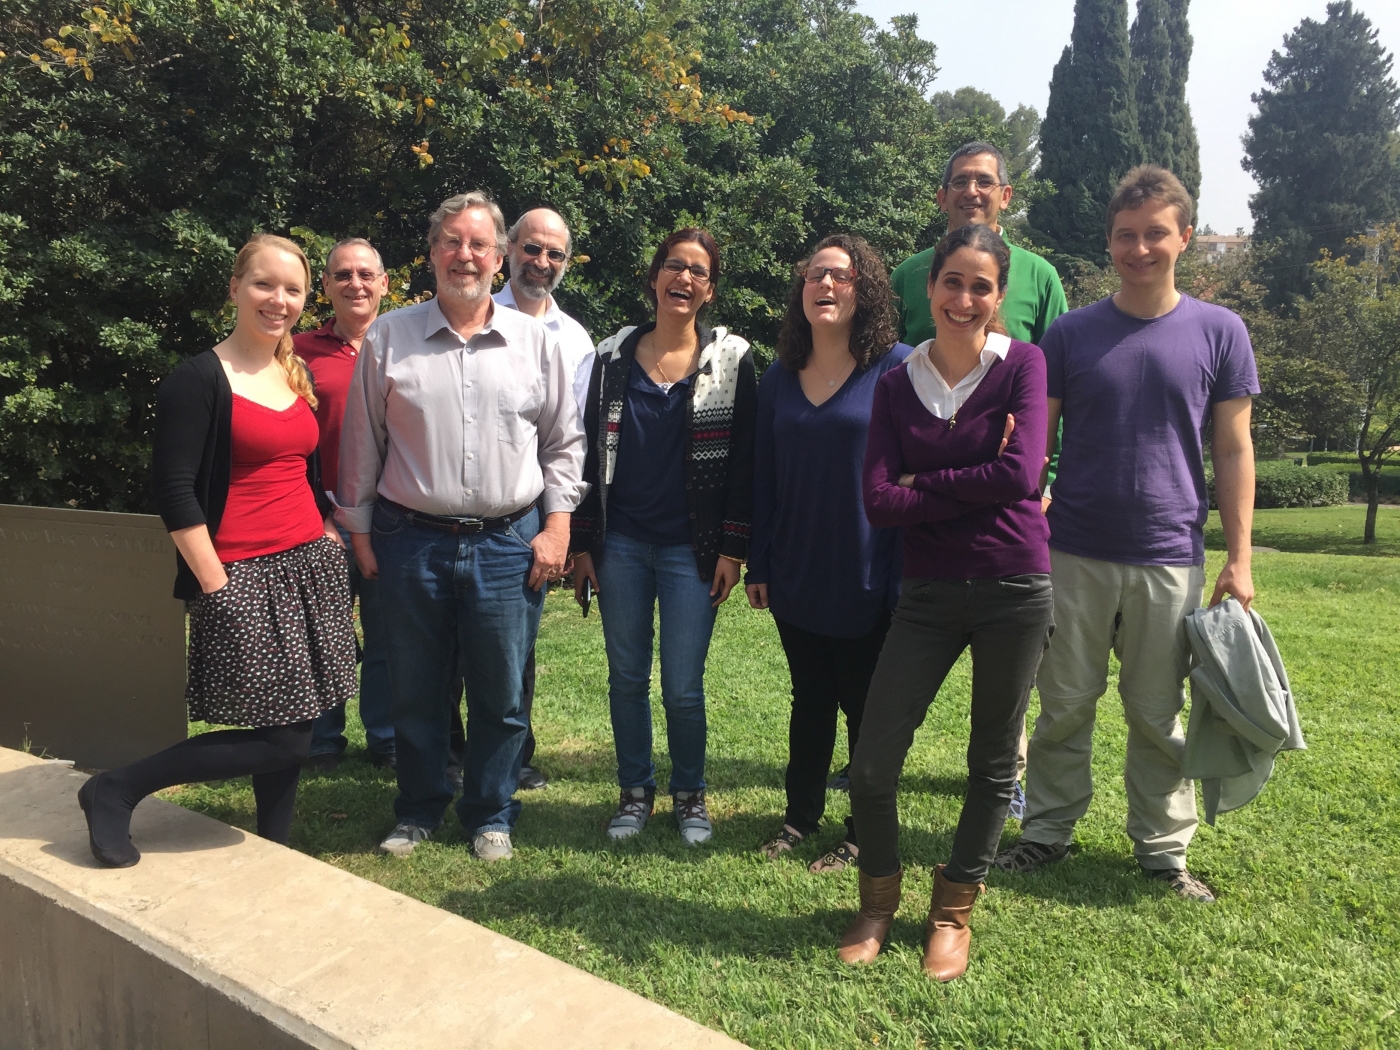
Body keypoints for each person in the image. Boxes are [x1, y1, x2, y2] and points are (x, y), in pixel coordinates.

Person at [994, 166, 1258, 903]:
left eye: (1154, 234)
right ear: (1109, 241)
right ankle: (1047, 832)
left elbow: (1233, 448)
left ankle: (1163, 852)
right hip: (1072, 549)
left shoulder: (1220, 332)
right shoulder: (1071, 334)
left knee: (1158, 714)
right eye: (1125, 235)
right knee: (1063, 705)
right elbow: (1034, 444)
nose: (1139, 249)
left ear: (1185, 237)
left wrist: (1239, 558)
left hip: (1170, 553)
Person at [77, 234, 357, 867]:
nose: (278, 300)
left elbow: (300, 466)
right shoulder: (197, 378)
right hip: (240, 570)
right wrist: (214, 582)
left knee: (295, 721)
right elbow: (175, 491)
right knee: (285, 741)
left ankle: (276, 847)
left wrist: (325, 530)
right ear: (235, 288)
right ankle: (116, 788)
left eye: (292, 289)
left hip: (307, 565)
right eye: (264, 284)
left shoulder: (294, 371)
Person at [337, 191, 585, 862]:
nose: (465, 255)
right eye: (452, 241)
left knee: (501, 693)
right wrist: (359, 533)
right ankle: (419, 808)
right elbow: (361, 445)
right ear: (432, 253)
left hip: (509, 542)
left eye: (479, 244)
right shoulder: (389, 337)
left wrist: (558, 526)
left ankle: (490, 812)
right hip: (410, 539)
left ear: (499, 257)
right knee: (417, 689)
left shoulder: (537, 343)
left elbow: (564, 445)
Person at [839, 223, 1052, 981]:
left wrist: (921, 485)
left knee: (992, 763)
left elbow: (1022, 475)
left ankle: (953, 915)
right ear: (929, 289)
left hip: (1014, 586)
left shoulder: (1023, 364)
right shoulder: (897, 383)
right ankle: (876, 905)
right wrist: (974, 477)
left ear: (1000, 296)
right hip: (927, 593)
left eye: (981, 286)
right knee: (872, 764)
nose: (964, 299)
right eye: (951, 282)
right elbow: (877, 500)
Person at [889, 140, 1069, 817]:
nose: (972, 190)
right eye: (960, 181)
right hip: (926, 503)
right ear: (941, 196)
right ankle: (877, 753)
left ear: (1005, 196)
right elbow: (891, 366)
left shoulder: (1040, 278)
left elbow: (1058, 389)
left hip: (1011, 497)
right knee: (908, 626)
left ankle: (1007, 769)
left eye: (985, 181)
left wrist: (1047, 474)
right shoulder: (908, 275)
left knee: (1009, 650)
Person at [570, 229, 756, 846]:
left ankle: (689, 794)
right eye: (674, 266)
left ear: (710, 290)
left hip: (690, 552)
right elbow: (587, 457)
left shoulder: (731, 361)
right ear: (654, 278)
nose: (685, 278)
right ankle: (634, 790)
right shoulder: (611, 358)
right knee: (626, 678)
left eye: (699, 271)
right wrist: (583, 545)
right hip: (621, 546)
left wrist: (732, 549)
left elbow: (746, 462)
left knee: (681, 687)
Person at [745, 234, 911, 873]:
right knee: (810, 699)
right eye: (816, 274)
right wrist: (760, 562)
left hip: (871, 571)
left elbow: (915, 474)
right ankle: (799, 816)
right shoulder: (779, 376)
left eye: (842, 276)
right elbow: (762, 478)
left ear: (864, 291)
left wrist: (901, 578)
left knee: (868, 710)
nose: (826, 285)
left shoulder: (897, 368)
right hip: (797, 570)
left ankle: (865, 832)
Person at [490, 206, 596, 791]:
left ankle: (516, 754)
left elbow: (574, 441)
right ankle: (451, 753)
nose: (541, 261)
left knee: (517, 643)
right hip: (461, 503)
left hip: (531, 509)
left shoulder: (575, 340)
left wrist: (566, 526)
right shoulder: (475, 315)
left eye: (554, 253)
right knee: (449, 645)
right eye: (531, 248)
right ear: (508, 249)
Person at [296, 237, 396, 773]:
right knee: (323, 633)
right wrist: (317, 516)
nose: (355, 284)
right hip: (323, 521)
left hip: (393, 520)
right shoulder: (295, 352)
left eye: (365, 274)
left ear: (384, 283)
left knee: (387, 635)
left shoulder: (407, 343)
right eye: (342, 275)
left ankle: (385, 737)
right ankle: (322, 739)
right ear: (326, 286)